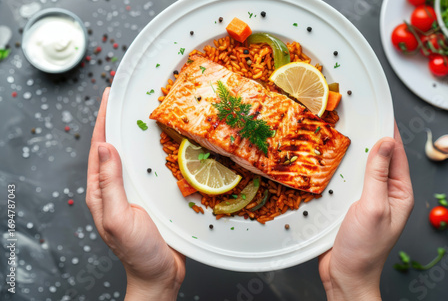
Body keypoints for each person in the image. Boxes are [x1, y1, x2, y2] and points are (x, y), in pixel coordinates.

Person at [87, 88, 414, 301]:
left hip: (286, 150)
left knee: (274, 150)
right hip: (221, 110)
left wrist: (153, 285)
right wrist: (352, 285)